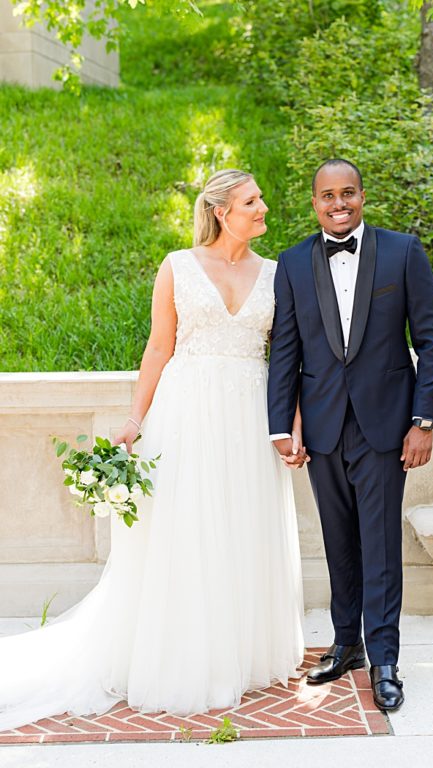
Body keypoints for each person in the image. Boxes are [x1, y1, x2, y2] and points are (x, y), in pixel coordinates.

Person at [0, 169, 305, 730]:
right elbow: (158, 348)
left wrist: (292, 424)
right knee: (187, 531)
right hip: (186, 413)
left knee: (240, 528)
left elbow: (288, 358)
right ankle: (183, 657)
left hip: (248, 413)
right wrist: (134, 420)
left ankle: (237, 652)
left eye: (260, 198)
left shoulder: (278, 275)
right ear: (221, 211)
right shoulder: (178, 267)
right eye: (251, 200)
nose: (264, 207)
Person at [266, 158, 433, 711]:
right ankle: (347, 645)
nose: (338, 204)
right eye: (327, 196)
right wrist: (281, 425)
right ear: (314, 201)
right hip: (321, 429)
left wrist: (423, 420)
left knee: (381, 545)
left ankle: (386, 659)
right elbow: (286, 352)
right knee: (338, 541)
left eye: (348, 194)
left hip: (387, 428)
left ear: (363, 196)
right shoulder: (293, 263)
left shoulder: (402, 252)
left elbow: (432, 341)